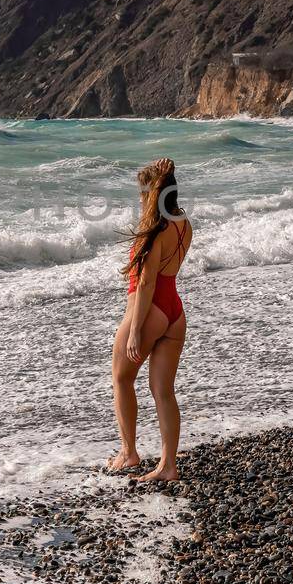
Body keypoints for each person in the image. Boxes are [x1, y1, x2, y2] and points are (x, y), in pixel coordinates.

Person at [106, 157, 190, 482]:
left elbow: (145, 283)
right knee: (163, 390)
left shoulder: (151, 232)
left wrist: (135, 331)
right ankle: (168, 465)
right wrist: (162, 171)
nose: (139, 198)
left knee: (122, 379)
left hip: (150, 310)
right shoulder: (183, 223)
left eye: (143, 193)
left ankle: (128, 452)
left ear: (150, 195)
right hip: (175, 312)